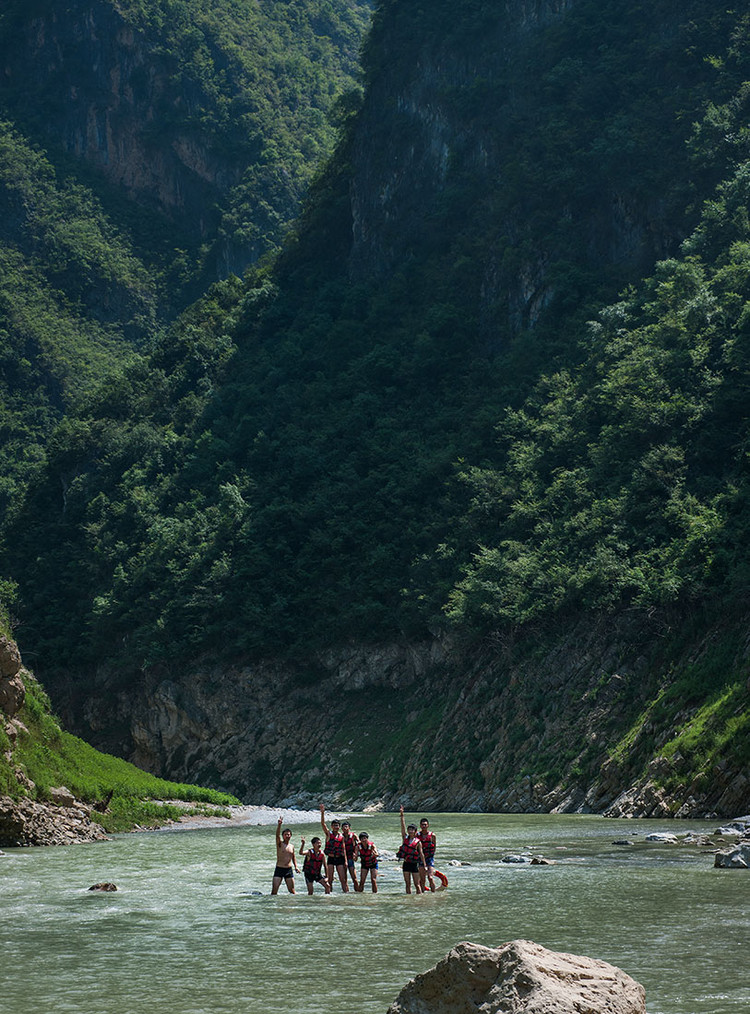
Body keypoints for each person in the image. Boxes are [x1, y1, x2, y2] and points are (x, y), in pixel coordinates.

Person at [320, 803, 349, 892]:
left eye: (337, 825)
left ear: (339, 827)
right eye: (334, 825)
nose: (336, 827)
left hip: (340, 859)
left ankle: (346, 894)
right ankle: (329, 895)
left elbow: (343, 849)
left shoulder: (341, 836)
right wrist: (322, 813)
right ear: (332, 826)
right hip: (331, 859)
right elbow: (323, 824)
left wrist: (346, 861)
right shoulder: (329, 834)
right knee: (330, 879)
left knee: (342, 879)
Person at [399, 805, 426, 894]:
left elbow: (421, 854)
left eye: (412, 830)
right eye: (409, 829)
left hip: (414, 864)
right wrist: (402, 815)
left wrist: (424, 865)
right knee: (407, 884)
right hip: (406, 863)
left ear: (415, 831)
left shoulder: (418, 842)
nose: (410, 831)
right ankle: (409, 899)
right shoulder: (405, 838)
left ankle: (419, 899)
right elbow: (402, 827)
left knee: (416, 884)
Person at [272, 817, 299, 894]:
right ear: (283, 836)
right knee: (274, 891)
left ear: (291, 836)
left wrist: (296, 867)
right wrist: (279, 825)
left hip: (288, 870)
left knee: (292, 891)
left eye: (289, 834)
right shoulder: (280, 844)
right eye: (285, 834)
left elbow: (293, 857)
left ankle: (293, 905)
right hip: (279, 869)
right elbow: (277, 836)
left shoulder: (292, 846)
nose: (287, 836)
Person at [418, 816, 437, 892]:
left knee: (430, 877)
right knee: (422, 879)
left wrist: (432, 855)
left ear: (428, 825)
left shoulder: (432, 835)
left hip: (429, 858)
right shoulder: (417, 835)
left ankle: (434, 894)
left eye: (425, 824)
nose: (424, 826)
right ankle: (422, 897)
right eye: (422, 825)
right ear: (420, 825)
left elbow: (434, 846)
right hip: (420, 858)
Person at [341, 820, 360, 891]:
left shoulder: (353, 836)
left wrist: (356, 854)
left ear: (349, 828)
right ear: (342, 829)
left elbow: (359, 844)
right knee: (344, 878)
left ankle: (357, 892)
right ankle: (346, 893)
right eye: (343, 827)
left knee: (354, 878)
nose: (345, 828)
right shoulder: (340, 836)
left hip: (350, 857)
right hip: (342, 858)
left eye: (346, 827)